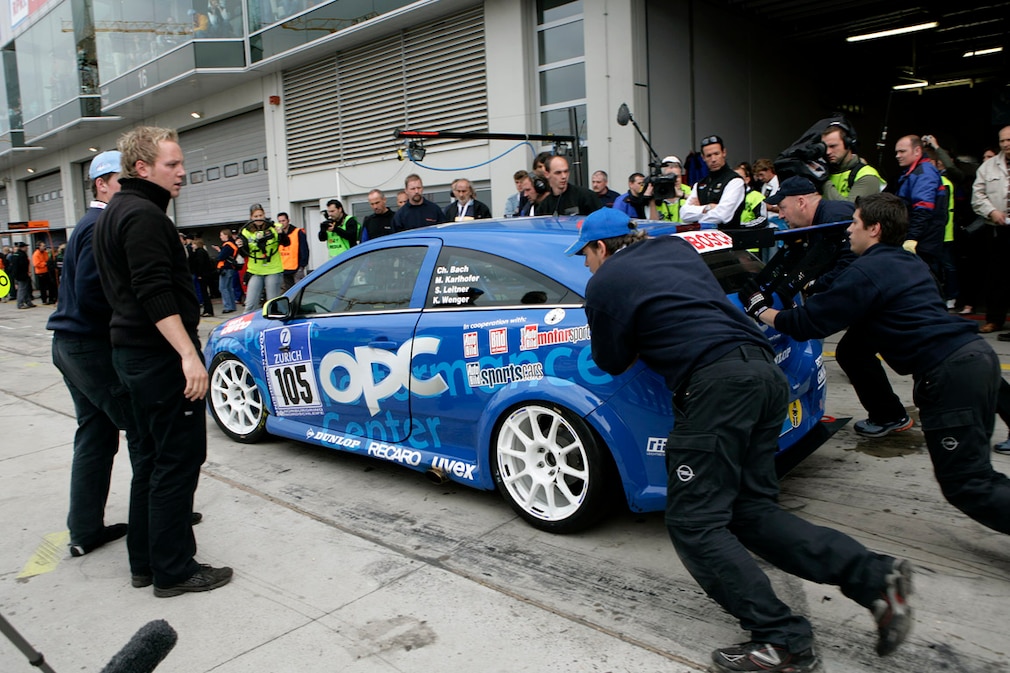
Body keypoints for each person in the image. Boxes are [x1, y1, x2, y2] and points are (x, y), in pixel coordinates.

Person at [568, 207, 913, 673]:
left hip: (715, 387)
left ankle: (782, 640)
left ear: (601, 248)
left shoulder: (605, 282)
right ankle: (875, 576)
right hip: (762, 371)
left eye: (586, 255)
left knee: (694, 523)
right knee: (752, 512)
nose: (586, 265)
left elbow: (611, 359)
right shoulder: (676, 248)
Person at [747, 192, 1010, 538]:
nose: (848, 232)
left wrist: (760, 309)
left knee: (968, 484)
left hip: (950, 377)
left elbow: (809, 323)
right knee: (979, 474)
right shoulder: (910, 262)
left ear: (873, 229)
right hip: (978, 356)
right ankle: (888, 415)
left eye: (854, 224)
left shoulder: (865, 273)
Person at [93, 125, 232, 597]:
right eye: (172, 164)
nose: (182, 173)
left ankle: (146, 563)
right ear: (142, 167)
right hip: (158, 359)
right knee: (177, 460)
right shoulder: (144, 216)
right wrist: (189, 355)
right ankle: (174, 569)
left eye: (179, 163)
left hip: (132, 356)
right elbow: (154, 293)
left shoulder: (116, 211)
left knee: (151, 461)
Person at [46, 151, 133, 557]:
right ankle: (161, 515)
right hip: (88, 348)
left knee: (96, 437)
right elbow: (93, 294)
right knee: (145, 431)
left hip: (69, 346)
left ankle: (84, 531)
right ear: (101, 184)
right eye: (124, 182)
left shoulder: (89, 224)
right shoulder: (100, 225)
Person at [971, 125, 1010, 334]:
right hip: (997, 229)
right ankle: (994, 319)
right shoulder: (988, 167)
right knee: (996, 276)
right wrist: (992, 211)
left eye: (1009, 140)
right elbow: (977, 196)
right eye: (1002, 141)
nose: (1005, 144)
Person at [893, 135, 948, 280]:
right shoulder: (914, 171)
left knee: (922, 281)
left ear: (917, 151)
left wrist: (911, 238)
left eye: (902, 151)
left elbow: (923, 210)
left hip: (923, 244)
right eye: (897, 152)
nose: (897, 156)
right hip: (921, 241)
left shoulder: (924, 173)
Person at [680, 135, 745, 228]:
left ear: (724, 152)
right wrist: (708, 207)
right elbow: (684, 214)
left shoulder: (735, 181)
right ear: (703, 157)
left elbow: (722, 215)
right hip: (702, 238)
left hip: (728, 237)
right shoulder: (699, 184)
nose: (713, 159)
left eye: (716, 154)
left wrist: (696, 217)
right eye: (709, 156)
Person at [820, 120, 886, 202]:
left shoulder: (867, 176)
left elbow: (848, 211)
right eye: (825, 147)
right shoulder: (827, 169)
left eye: (833, 146)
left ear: (848, 144)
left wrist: (823, 181)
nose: (827, 152)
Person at [242, 204, 289, 313]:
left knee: (273, 303)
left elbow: (286, 243)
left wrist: (281, 234)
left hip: (273, 269)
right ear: (251, 217)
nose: (259, 218)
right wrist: (240, 245)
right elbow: (244, 253)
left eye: (260, 215)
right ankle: (247, 326)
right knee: (250, 304)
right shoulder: (246, 231)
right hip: (255, 271)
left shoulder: (274, 227)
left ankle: (279, 323)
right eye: (256, 216)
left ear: (264, 215)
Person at [651, 156, 691, 222]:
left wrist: (684, 195)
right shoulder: (656, 192)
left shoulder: (689, 191)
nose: (675, 180)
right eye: (670, 177)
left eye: (677, 177)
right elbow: (652, 223)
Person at [277, 211, 308, 292]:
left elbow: (304, 249)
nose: (281, 223)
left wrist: (302, 265)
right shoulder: (278, 235)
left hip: (297, 267)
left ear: (288, 220)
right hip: (283, 268)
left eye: (283, 221)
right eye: (279, 221)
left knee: (300, 290)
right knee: (287, 292)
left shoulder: (298, 232)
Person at [215, 227, 240, 313]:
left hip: (225, 268)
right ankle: (232, 306)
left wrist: (219, 253)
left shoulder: (227, 245)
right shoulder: (232, 244)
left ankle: (228, 306)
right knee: (229, 288)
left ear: (226, 235)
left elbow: (221, 257)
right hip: (231, 268)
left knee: (223, 288)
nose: (220, 237)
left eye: (221, 235)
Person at [189, 237, 215, 317]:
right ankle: (207, 310)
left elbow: (200, 264)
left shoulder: (199, 253)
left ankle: (208, 310)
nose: (192, 246)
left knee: (204, 293)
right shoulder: (201, 252)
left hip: (203, 275)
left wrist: (200, 274)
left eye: (193, 244)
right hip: (205, 274)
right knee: (204, 293)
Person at [11, 242, 35, 309]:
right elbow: (21, 266)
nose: (27, 248)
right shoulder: (21, 255)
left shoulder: (16, 254)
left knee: (26, 289)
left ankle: (28, 302)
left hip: (21, 274)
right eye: (26, 247)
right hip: (22, 275)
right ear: (22, 247)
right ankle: (20, 304)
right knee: (22, 289)